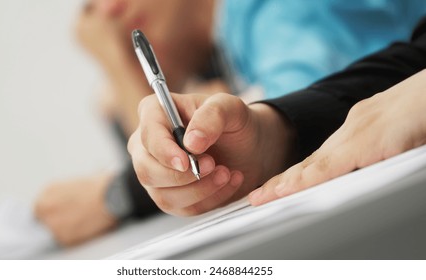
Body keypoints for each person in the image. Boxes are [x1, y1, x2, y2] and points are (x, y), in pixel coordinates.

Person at [35, 0, 426, 246]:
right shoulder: (232, 39)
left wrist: (121, 68)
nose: (108, 16)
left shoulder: (276, 12)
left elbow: (325, 115)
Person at [127, 17, 426, 216]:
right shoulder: (232, 36)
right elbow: (415, 60)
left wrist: (119, 196)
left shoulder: (271, 16)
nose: (109, 11)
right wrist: (275, 133)